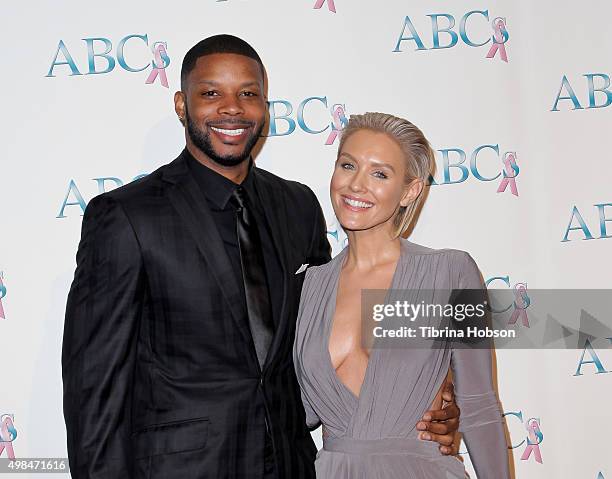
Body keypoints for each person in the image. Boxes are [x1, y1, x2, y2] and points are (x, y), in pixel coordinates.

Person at [62, 36, 461, 479]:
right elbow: (93, 390)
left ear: (265, 106)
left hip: (293, 465)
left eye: (248, 94)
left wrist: (431, 400)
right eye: (211, 92)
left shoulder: (298, 206)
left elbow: (326, 332)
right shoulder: (127, 216)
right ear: (181, 104)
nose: (232, 108)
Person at [293, 112, 511, 478]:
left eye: (380, 173)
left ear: (409, 191)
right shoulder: (309, 286)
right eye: (348, 165)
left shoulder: (448, 272)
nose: (357, 185)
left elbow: (479, 406)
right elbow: (300, 412)